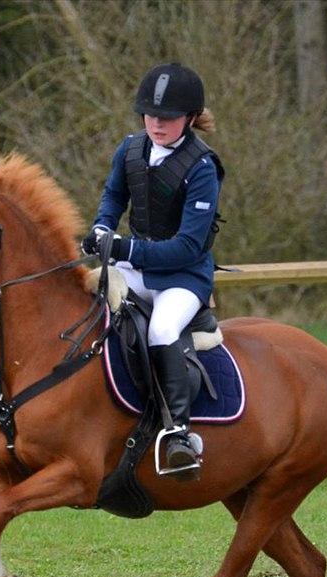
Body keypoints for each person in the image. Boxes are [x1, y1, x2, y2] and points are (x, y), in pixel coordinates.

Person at [81, 62, 224, 479]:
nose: (157, 125)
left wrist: (123, 246)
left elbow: (186, 246)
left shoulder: (202, 168)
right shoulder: (129, 150)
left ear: (191, 118)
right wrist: (102, 228)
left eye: (168, 118)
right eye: (151, 116)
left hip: (184, 276)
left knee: (161, 330)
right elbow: (113, 196)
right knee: (87, 301)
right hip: (138, 263)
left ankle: (178, 433)